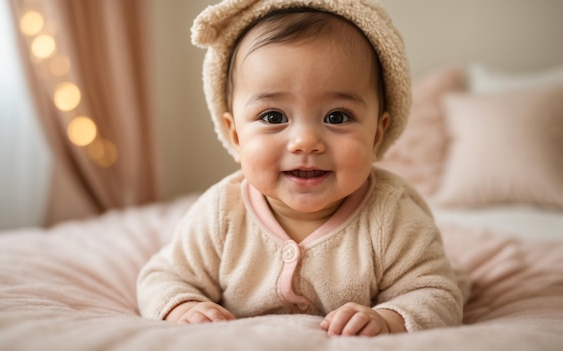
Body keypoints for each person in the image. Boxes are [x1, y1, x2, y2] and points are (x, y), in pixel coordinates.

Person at [137, 0, 463, 337]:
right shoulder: (221, 213)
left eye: (337, 117)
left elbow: (437, 295)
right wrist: (184, 307)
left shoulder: (392, 216)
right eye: (273, 117)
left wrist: (388, 318)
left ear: (377, 134)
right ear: (235, 136)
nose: (305, 142)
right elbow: (162, 277)